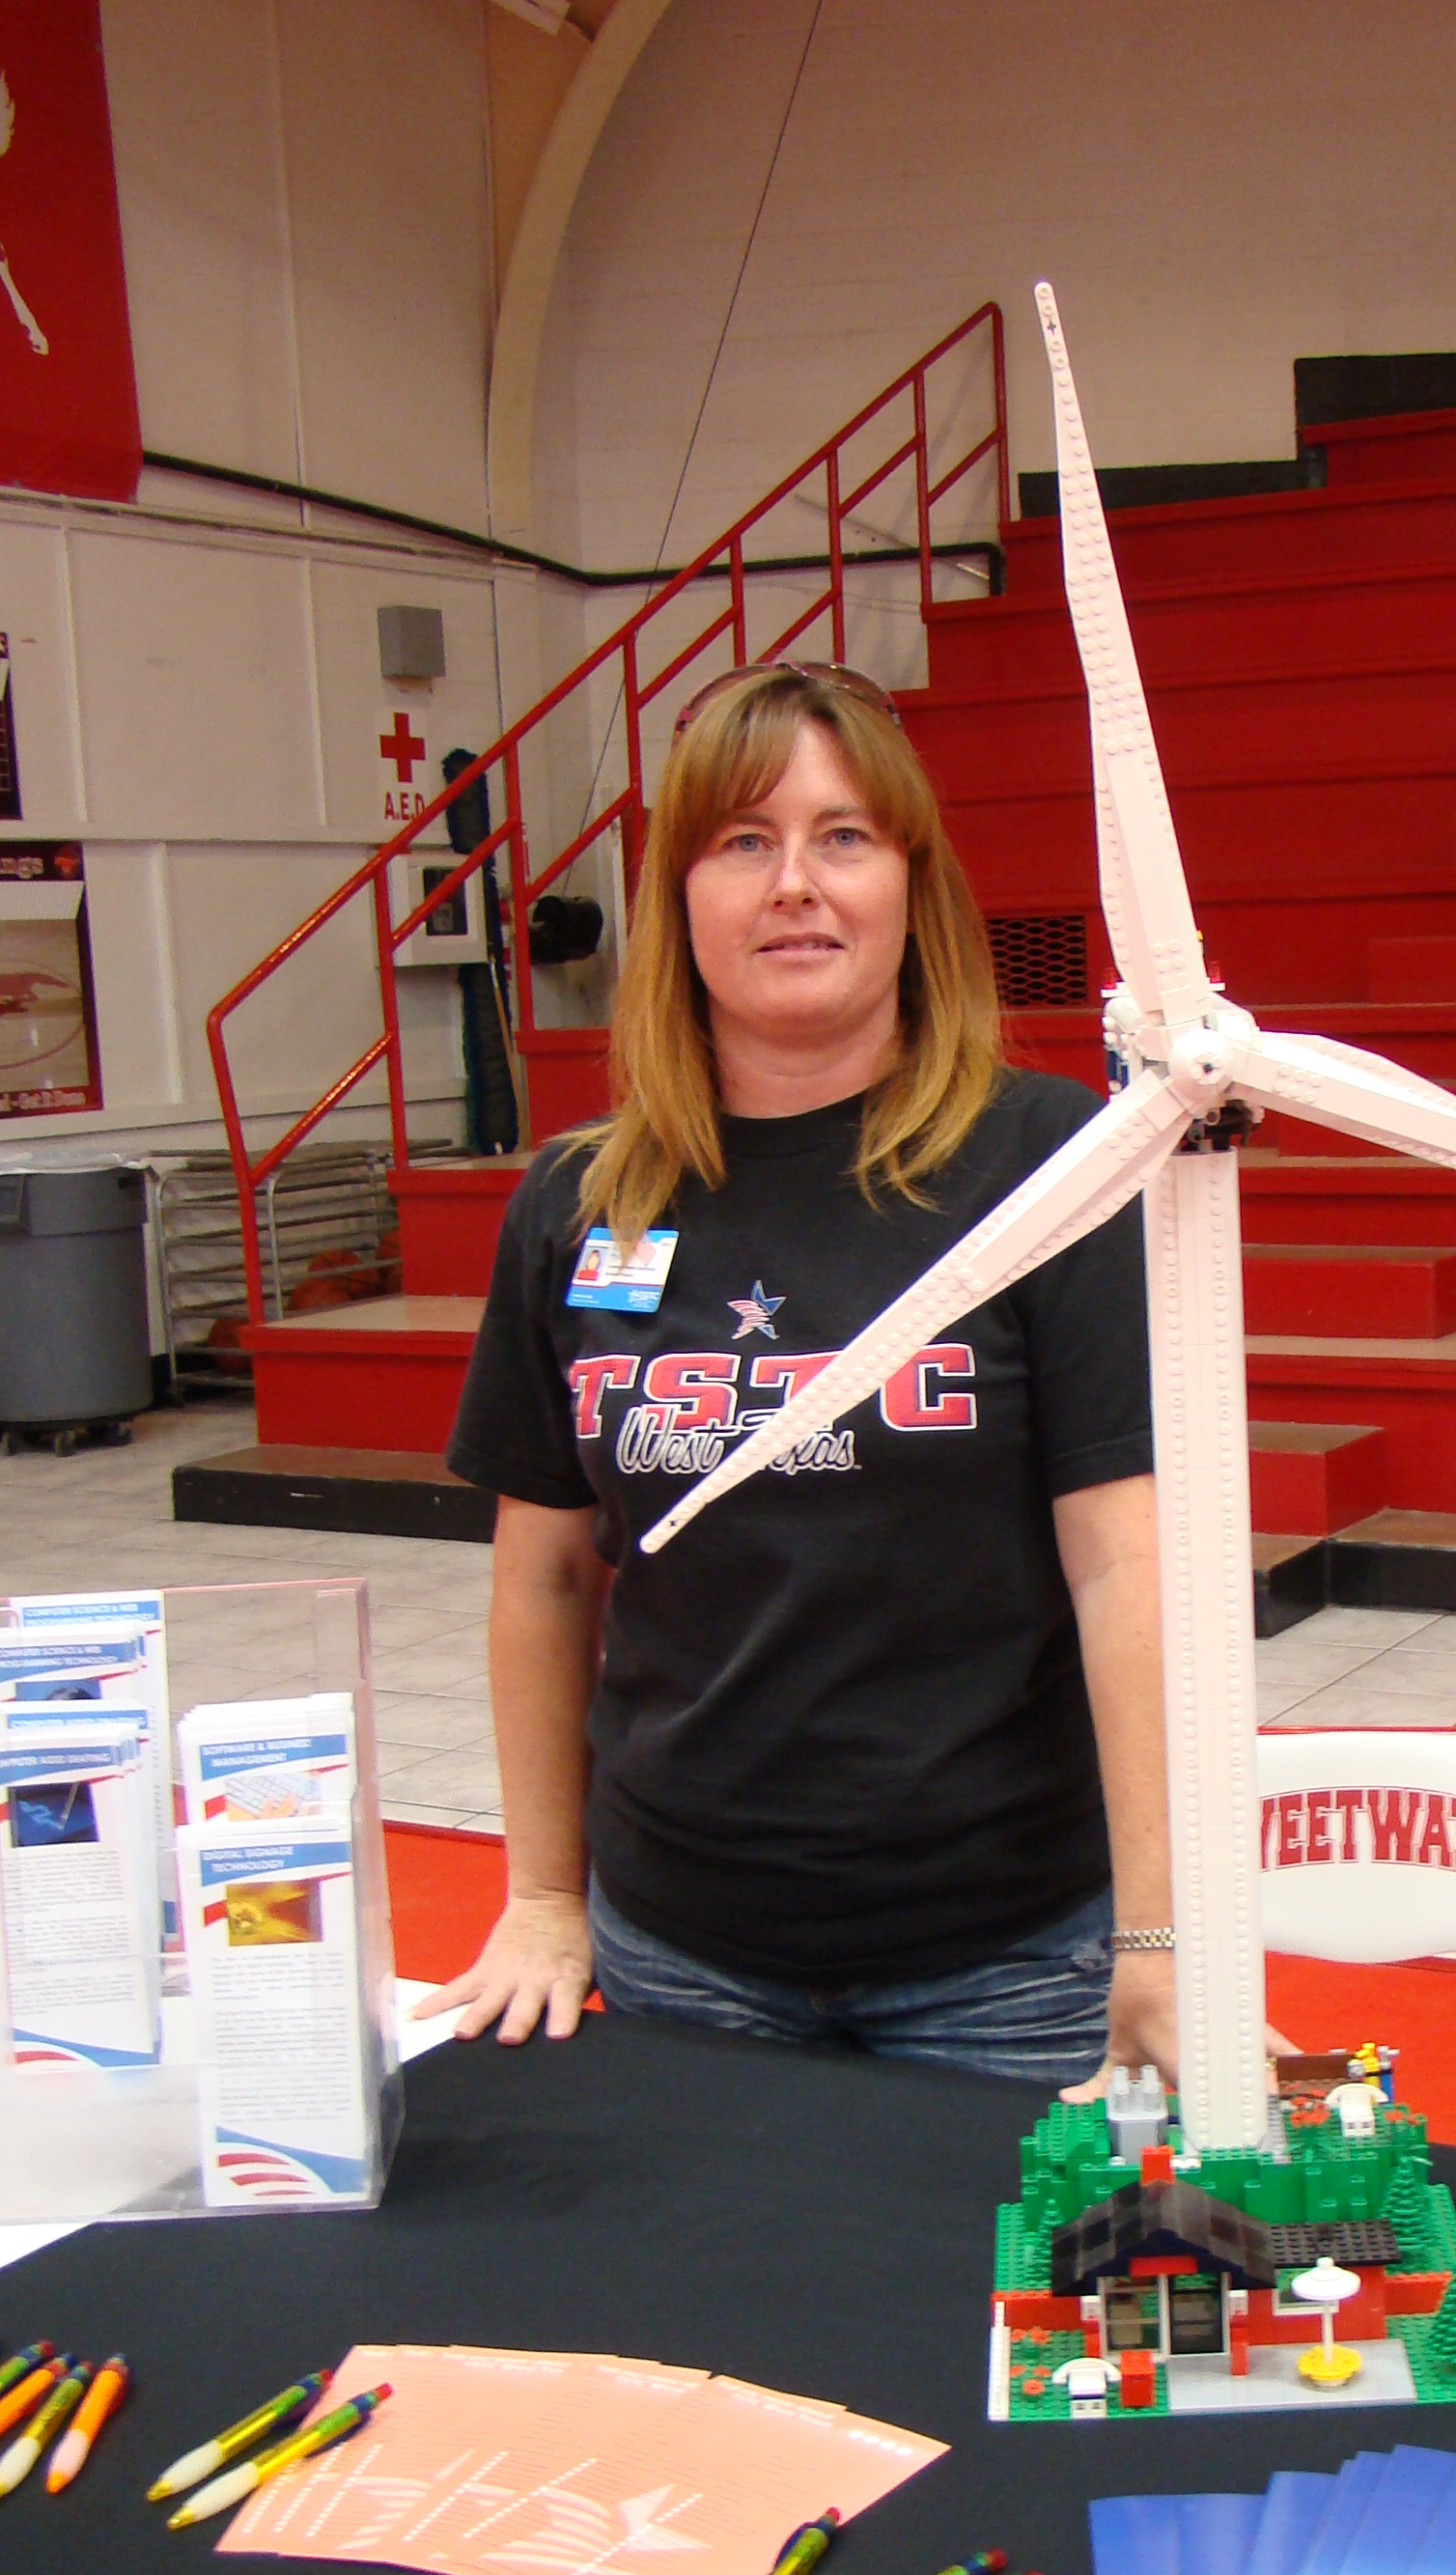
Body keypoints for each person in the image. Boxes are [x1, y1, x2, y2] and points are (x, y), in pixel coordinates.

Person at [426, 659, 1174, 2091]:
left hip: (1008, 1955)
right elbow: (541, 1581)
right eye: (742, 841)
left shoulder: (1053, 1167)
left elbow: (1123, 1571)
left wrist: (1159, 1934)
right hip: (675, 1943)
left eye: (844, 837)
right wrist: (539, 1891)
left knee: (986, 2318)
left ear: (911, 886)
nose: (795, 885)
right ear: (680, 901)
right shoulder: (577, 1201)